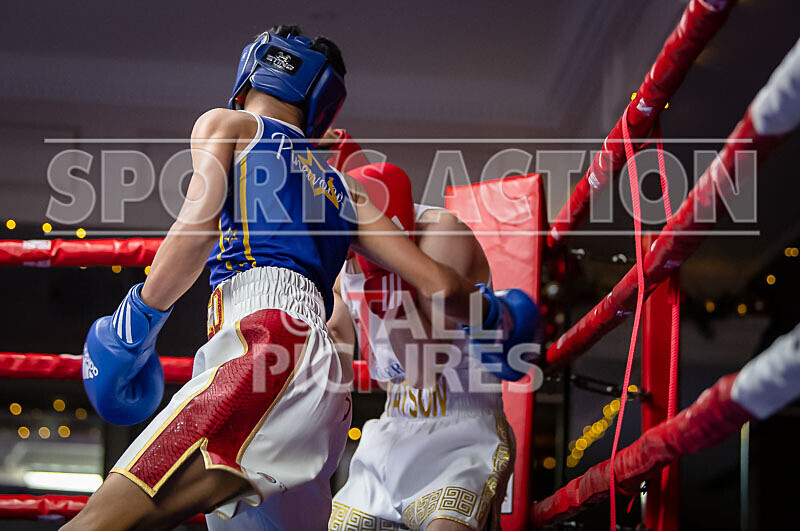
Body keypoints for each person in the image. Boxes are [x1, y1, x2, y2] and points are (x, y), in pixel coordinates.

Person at [65, 25, 538, 530]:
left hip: (265, 348)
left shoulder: (231, 125)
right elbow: (440, 285)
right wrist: (500, 317)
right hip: (323, 391)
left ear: (247, 80)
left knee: (101, 521)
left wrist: (131, 327)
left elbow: (195, 232)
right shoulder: (343, 192)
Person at [322, 151, 521, 531]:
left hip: (461, 432)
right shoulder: (345, 253)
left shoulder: (441, 235)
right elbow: (338, 351)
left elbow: (425, 368)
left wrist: (387, 278)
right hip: (392, 428)